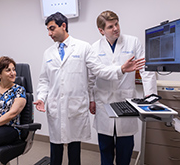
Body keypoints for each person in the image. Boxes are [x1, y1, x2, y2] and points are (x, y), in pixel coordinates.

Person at [34, 12, 146, 165]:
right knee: (55, 150)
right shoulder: (48, 53)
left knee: (75, 151)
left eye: (52, 29)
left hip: (75, 108)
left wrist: (121, 70)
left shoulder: (83, 47)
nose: (49, 33)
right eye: (48, 29)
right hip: (56, 108)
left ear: (63, 26)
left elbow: (99, 71)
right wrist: (41, 97)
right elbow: (44, 80)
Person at [89, 10, 157, 165]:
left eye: (117, 24)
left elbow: (146, 70)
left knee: (125, 149)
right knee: (105, 148)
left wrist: (151, 97)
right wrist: (91, 99)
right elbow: (91, 77)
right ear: (101, 31)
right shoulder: (94, 48)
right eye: (110, 26)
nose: (116, 28)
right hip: (103, 102)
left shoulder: (133, 42)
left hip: (125, 101)